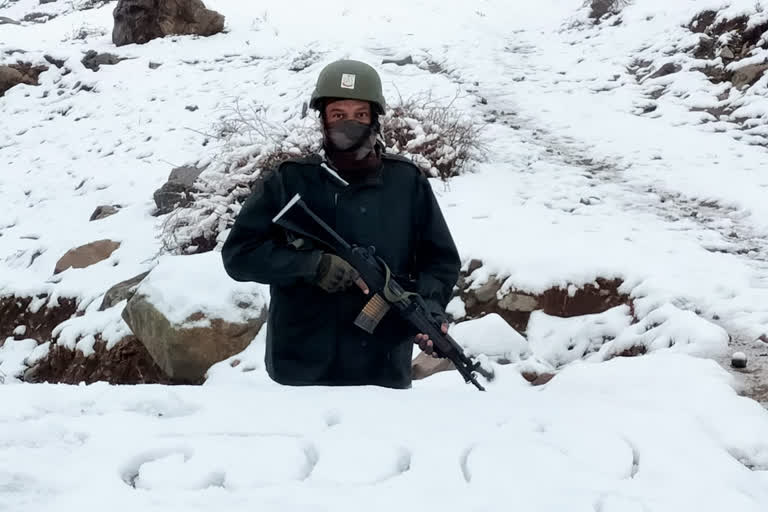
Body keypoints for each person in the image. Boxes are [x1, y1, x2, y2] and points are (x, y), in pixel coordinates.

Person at [221, 59, 460, 389]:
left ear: (375, 119)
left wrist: (430, 310)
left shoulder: (407, 183)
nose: (349, 124)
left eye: (360, 115)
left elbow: (440, 262)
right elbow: (239, 256)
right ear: (322, 120)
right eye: (338, 115)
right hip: (301, 366)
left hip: (382, 368)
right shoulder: (289, 181)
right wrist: (311, 266)